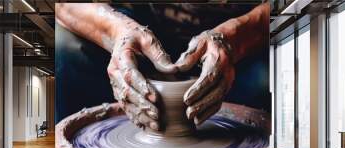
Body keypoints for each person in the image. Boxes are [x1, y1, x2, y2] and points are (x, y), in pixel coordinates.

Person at [55, 3, 270, 130]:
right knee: (67, 49)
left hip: (238, 32)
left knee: (267, 77)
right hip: (138, 24)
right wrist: (117, 32)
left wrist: (235, 38)